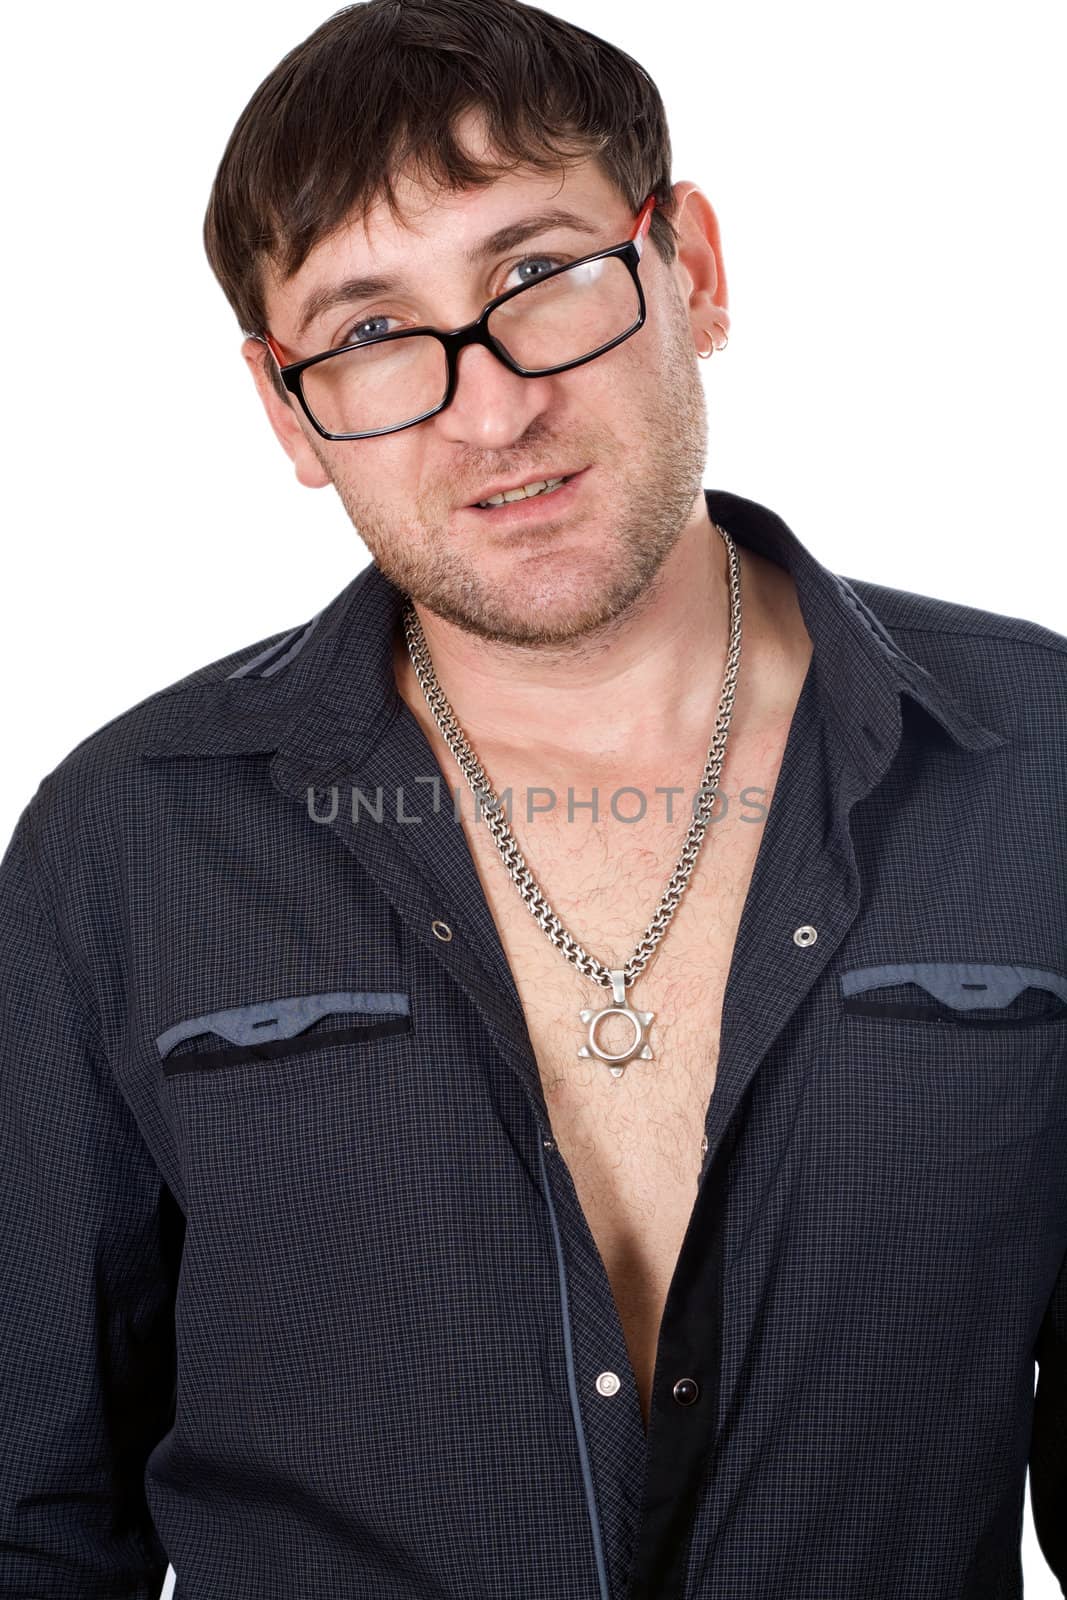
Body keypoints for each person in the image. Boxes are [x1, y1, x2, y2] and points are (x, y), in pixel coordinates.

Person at [2, 0, 1066, 1596]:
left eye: (536, 279)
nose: (492, 410)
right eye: (368, 336)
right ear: (288, 410)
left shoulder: (1039, 766)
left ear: (689, 269)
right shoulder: (128, 844)